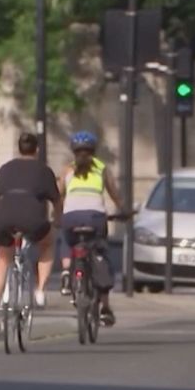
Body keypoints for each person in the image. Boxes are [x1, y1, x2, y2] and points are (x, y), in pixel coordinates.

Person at [0, 133, 59, 327]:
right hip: (32, 219)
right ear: (37, 149)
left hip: (4, 218)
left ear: (19, 148)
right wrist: (57, 220)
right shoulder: (44, 171)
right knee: (48, 243)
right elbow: (56, 200)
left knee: (3, 259)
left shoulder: (6, 168)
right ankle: (40, 291)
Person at [57, 131, 127, 327]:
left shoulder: (67, 170)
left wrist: (57, 216)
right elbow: (114, 193)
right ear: (93, 151)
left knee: (65, 237)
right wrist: (123, 211)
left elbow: (59, 194)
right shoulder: (102, 169)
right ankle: (105, 307)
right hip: (96, 219)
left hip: (71, 218)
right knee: (101, 254)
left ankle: (65, 272)